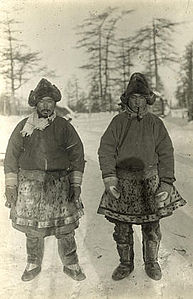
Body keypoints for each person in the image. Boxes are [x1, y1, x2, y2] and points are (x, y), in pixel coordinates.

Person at [97, 72, 186, 281]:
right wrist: (109, 177)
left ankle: (152, 262)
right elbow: (106, 150)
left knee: (151, 227)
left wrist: (166, 183)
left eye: (141, 98)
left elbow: (166, 153)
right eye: (133, 98)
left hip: (150, 182)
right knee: (121, 228)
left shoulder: (156, 123)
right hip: (123, 182)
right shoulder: (117, 122)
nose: (137, 102)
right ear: (127, 99)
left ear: (148, 100)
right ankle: (125, 263)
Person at [4, 78, 86, 282]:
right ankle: (33, 262)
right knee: (33, 230)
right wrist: (11, 185)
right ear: (36, 104)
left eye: (50, 101)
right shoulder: (24, 127)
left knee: (65, 229)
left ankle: (71, 263)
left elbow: (77, 153)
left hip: (59, 184)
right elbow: (11, 157)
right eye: (42, 102)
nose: (46, 106)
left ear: (55, 104)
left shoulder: (63, 127)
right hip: (30, 186)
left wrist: (75, 184)